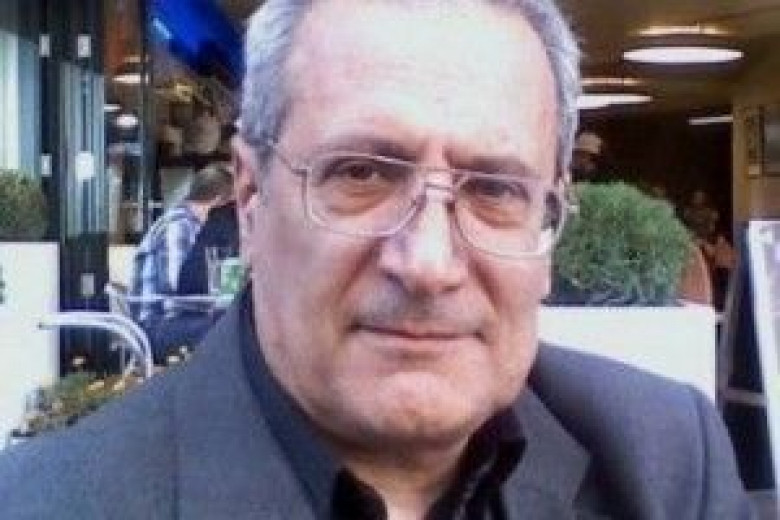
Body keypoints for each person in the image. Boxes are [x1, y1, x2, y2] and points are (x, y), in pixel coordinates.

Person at [0, 0, 753, 518]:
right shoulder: (50, 503)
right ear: (251, 199)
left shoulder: (665, 464)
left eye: (495, 189)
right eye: (362, 173)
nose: (428, 263)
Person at [129, 162, 233, 362]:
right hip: (155, 326)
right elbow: (178, 287)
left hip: (176, 320)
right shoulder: (178, 225)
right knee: (230, 333)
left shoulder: (195, 227)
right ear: (219, 202)